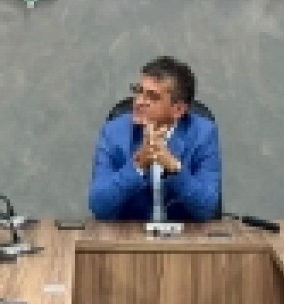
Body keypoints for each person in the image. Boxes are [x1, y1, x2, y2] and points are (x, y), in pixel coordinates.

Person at [89, 56, 221, 221]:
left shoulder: (203, 133)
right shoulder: (114, 132)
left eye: (152, 97)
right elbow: (98, 206)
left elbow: (207, 209)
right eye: (138, 91)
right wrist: (138, 165)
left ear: (178, 110)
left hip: (186, 236)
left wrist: (174, 168)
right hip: (128, 235)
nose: (139, 102)